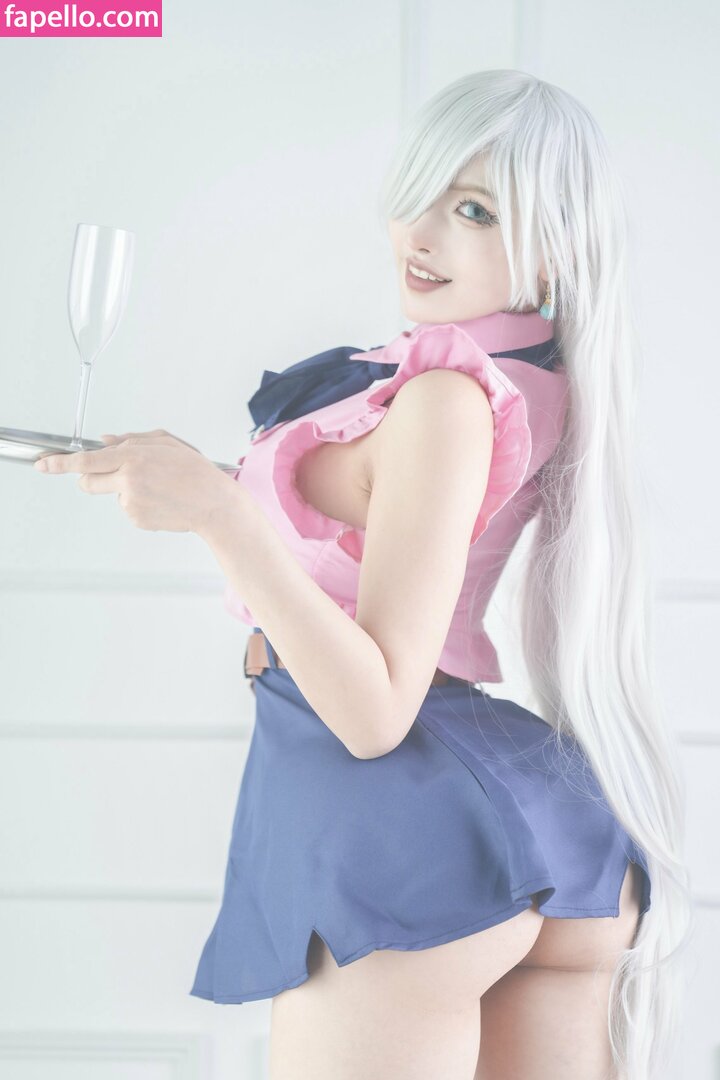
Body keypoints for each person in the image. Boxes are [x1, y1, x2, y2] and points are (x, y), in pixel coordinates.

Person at [37, 69, 694, 1080]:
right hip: (544, 836)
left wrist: (217, 513)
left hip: (403, 832)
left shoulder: (448, 398)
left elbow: (375, 712)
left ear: (556, 249)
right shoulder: (536, 375)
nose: (420, 234)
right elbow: (390, 530)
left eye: (473, 211)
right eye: (420, 193)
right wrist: (206, 484)